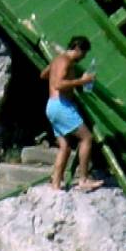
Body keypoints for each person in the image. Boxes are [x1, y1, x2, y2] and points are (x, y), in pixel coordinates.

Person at [39, 37, 101, 193]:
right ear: (78, 49)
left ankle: (55, 184)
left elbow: (44, 75)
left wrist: (56, 70)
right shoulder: (65, 61)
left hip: (51, 105)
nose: (84, 57)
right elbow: (58, 84)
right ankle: (83, 179)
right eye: (84, 53)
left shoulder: (57, 61)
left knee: (65, 147)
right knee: (86, 138)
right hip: (61, 106)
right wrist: (81, 81)